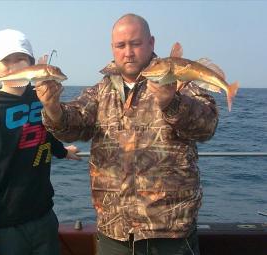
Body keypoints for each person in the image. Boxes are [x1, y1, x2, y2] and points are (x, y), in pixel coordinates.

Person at [36, 13, 219, 255]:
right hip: (114, 231)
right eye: (120, 46)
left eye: (135, 43)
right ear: (112, 48)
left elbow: (207, 126)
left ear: (151, 43)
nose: (128, 52)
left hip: (170, 232)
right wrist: (53, 109)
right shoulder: (101, 90)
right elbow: (74, 125)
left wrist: (171, 102)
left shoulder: (180, 81)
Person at [0, 29, 80, 255]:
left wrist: (62, 152)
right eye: (6, 61)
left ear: (31, 64)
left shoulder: (41, 99)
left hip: (44, 216)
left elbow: (44, 131)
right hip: (5, 229)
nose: (15, 66)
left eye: (21, 59)